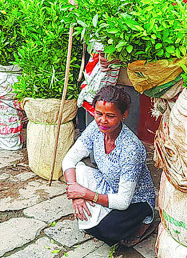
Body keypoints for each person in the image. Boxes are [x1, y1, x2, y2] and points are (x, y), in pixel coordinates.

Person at [61, 85, 158, 246]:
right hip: (109, 186)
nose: (103, 121)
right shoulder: (96, 128)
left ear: (124, 115)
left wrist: (85, 193)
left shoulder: (131, 149)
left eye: (111, 116)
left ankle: (145, 223)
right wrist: (75, 192)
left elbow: (123, 201)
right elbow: (69, 160)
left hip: (135, 200)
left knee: (108, 230)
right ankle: (100, 210)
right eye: (99, 114)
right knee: (76, 170)